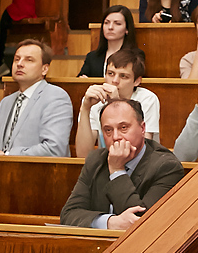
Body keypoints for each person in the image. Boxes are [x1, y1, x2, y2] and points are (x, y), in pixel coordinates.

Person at [60, 98, 185, 229]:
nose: (115, 137)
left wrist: (117, 170)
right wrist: (109, 222)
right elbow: (68, 214)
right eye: (108, 130)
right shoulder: (96, 159)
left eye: (123, 128)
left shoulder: (167, 167)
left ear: (142, 128)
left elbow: (142, 224)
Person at [0, 39, 73, 156]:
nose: (19, 64)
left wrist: (8, 155)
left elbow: (54, 149)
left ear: (44, 69)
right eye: (16, 59)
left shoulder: (56, 98)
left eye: (29, 60)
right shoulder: (6, 102)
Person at [77, 49, 162, 156]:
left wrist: (115, 104)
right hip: (105, 165)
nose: (115, 80)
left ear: (137, 81)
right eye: (110, 74)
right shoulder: (96, 99)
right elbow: (83, 155)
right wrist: (85, 108)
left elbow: (138, 151)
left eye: (123, 76)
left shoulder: (147, 99)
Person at [79, 5, 143, 78]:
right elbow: (81, 80)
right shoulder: (92, 57)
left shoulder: (135, 55)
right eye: (106, 23)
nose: (110, 27)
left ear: (127, 29)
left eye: (117, 23)